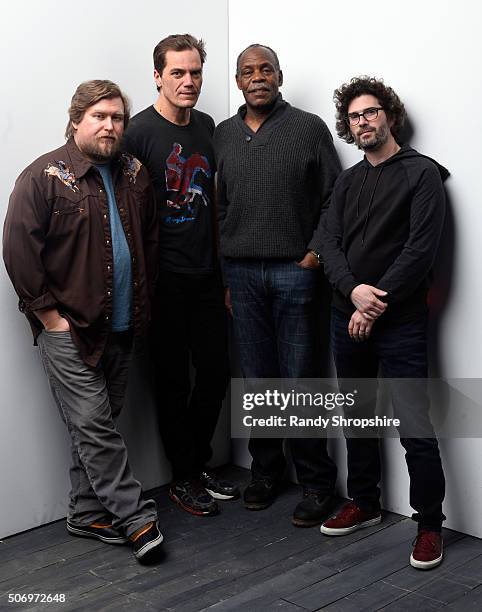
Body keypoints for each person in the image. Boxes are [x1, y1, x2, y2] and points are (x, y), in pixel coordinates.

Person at [3, 80, 163, 562]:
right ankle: (137, 517)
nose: (110, 125)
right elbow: (17, 249)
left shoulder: (135, 173)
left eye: (117, 118)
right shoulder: (45, 177)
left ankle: (86, 511)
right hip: (69, 328)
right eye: (100, 116)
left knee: (99, 423)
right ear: (77, 120)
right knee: (95, 424)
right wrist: (48, 316)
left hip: (123, 323)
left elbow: (150, 242)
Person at [318, 76, 448, 570]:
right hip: (344, 314)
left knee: (415, 424)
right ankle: (366, 503)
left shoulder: (422, 174)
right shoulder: (347, 180)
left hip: (401, 322)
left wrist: (372, 304)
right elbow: (327, 242)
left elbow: (420, 251)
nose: (363, 121)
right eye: (354, 116)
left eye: (371, 112)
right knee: (357, 417)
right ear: (348, 127)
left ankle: (430, 524)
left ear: (389, 116)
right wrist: (353, 292)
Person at [214, 44, 341, 526]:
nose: (257, 76)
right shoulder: (223, 135)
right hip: (242, 275)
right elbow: (222, 208)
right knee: (259, 381)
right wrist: (227, 272)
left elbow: (334, 198)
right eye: (248, 71)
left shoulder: (308, 128)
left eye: (266, 68)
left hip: (295, 270)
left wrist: (314, 253)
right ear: (238, 81)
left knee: (301, 380)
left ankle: (315, 482)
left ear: (280, 76)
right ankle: (265, 473)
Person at [123, 34, 238, 517]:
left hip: (208, 275)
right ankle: (184, 475)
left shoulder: (209, 127)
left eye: (194, 73)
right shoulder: (136, 133)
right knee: (171, 381)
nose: (188, 82)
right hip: (163, 279)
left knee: (215, 371)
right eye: (177, 73)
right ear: (157, 76)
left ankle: (197, 462)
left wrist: (225, 273)